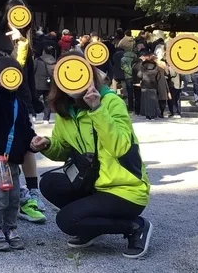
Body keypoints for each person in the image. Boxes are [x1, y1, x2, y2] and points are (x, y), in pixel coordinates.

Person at [31, 64, 152, 259]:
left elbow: (120, 147)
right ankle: (93, 225)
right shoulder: (66, 110)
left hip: (124, 189)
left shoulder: (111, 102)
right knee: (49, 183)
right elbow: (63, 150)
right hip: (93, 184)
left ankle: (135, 226)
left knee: (67, 221)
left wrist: (97, 109)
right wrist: (46, 144)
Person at [0, 0, 46, 224]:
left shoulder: (29, 37)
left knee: (29, 144)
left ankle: (32, 192)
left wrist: (34, 100)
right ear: (7, 13)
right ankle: (9, 193)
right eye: (15, 12)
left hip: (23, 98)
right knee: (1, 148)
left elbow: (28, 72)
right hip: (0, 99)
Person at [0, 56, 37, 251]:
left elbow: (26, 129)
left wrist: (34, 141)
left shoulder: (19, 103)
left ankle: (10, 228)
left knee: (13, 197)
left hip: (12, 161)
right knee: (0, 197)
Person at [137, 51, 169, 120]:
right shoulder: (156, 67)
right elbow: (158, 77)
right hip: (153, 85)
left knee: (146, 101)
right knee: (153, 100)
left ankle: (147, 115)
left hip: (145, 85)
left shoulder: (143, 66)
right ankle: (153, 114)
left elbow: (139, 75)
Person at [34, 45, 57, 124]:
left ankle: (33, 115)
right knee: (47, 102)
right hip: (49, 85)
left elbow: (33, 70)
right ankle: (46, 119)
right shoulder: (55, 61)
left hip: (38, 84)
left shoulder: (38, 60)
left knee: (34, 99)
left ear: (44, 51)